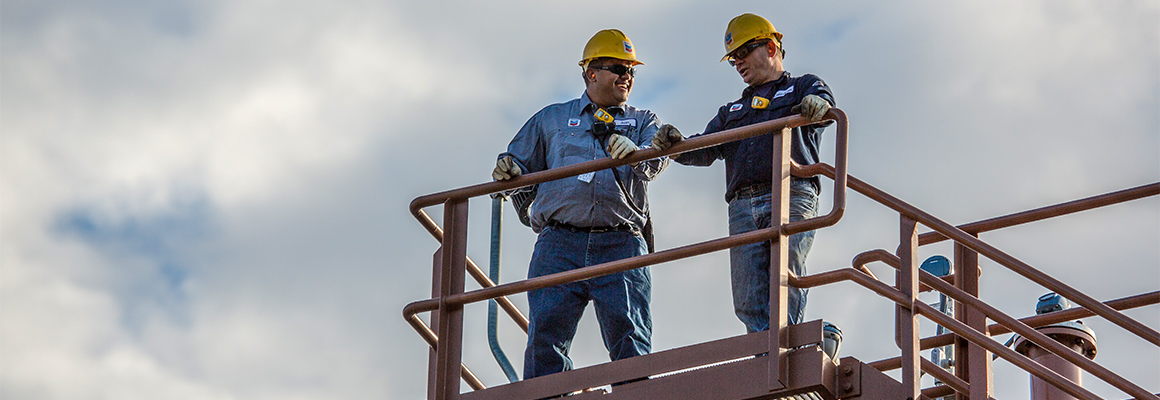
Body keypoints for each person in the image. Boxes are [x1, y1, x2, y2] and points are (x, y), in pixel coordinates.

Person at [492, 29, 669, 380]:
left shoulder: (643, 121)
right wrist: (507, 168)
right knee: (546, 338)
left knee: (630, 338)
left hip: (619, 242)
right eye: (619, 68)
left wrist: (637, 152)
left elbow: (654, 161)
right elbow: (515, 162)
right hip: (560, 243)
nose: (627, 77)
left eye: (632, 71)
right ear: (591, 72)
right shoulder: (553, 119)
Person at [651, 13, 835, 333]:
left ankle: (785, 352)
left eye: (743, 53)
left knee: (785, 270)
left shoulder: (802, 88)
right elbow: (705, 148)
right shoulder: (732, 112)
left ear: (770, 47)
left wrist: (816, 106)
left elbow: (824, 103)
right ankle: (765, 362)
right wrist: (675, 145)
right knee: (749, 294)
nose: (737, 63)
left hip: (791, 191)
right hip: (742, 206)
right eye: (733, 58)